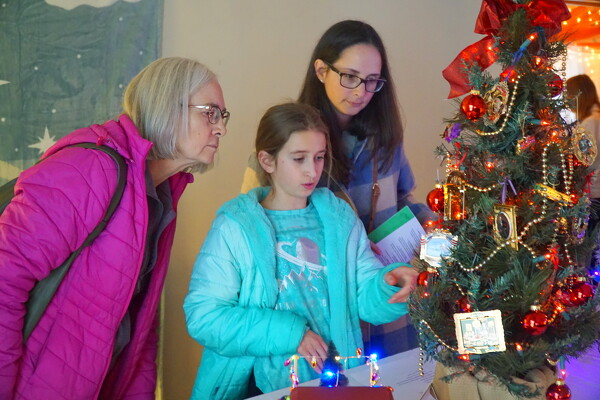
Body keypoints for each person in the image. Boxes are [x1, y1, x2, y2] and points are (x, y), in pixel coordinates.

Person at [0, 57, 228, 399]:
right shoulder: (88, 168)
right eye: (210, 112)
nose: (221, 128)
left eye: (222, 116)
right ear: (168, 106)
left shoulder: (161, 195)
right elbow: (4, 280)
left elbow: (141, 323)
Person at [184, 102, 418, 400]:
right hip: (259, 387)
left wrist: (389, 285)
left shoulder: (340, 218)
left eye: (319, 157)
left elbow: (365, 298)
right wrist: (291, 334)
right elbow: (205, 317)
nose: (312, 170)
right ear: (267, 161)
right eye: (299, 159)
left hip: (336, 382)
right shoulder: (234, 227)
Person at [242, 19, 434, 358]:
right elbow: (255, 227)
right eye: (349, 76)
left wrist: (434, 231)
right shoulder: (288, 141)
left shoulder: (385, 137)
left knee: (396, 377)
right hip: (324, 308)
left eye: (372, 80)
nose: (360, 92)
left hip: (386, 295)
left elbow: (403, 200)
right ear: (321, 71)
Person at [566, 75, 600, 232]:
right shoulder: (594, 118)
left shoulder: (590, 123)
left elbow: (584, 158)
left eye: (568, 96)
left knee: (591, 238)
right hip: (595, 188)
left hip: (594, 190)